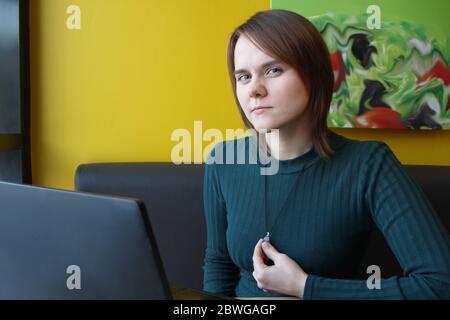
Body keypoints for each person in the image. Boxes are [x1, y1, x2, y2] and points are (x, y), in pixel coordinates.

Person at [202, 9, 450, 299]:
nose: (254, 90)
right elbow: (218, 265)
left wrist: (305, 287)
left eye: (273, 70)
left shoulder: (368, 165)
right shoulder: (223, 161)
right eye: (243, 76)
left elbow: (440, 284)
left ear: (315, 76)